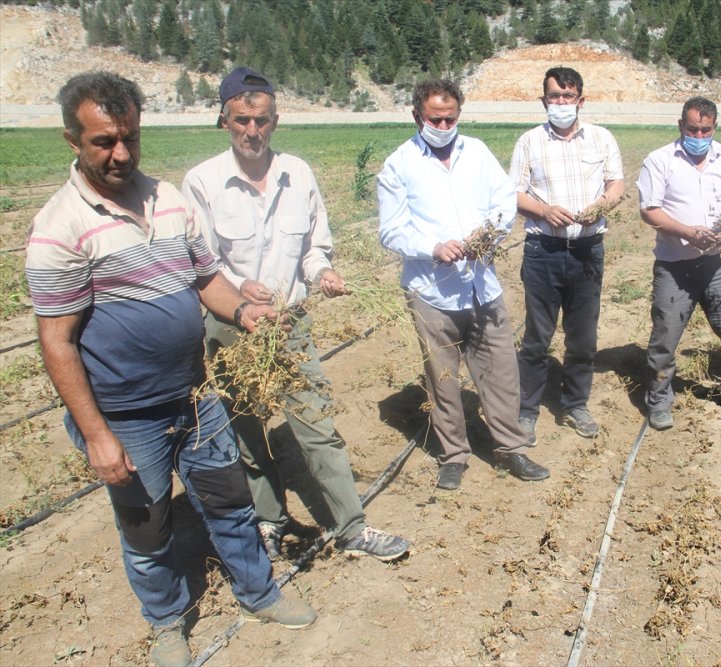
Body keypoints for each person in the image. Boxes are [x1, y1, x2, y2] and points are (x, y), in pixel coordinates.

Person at [25, 72, 315, 667]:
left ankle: (260, 594)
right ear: (72, 141)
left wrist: (244, 312)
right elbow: (57, 341)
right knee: (147, 528)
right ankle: (166, 623)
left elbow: (206, 278)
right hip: (127, 414)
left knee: (230, 504)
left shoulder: (168, 199)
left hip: (195, 394)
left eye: (129, 137)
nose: (121, 153)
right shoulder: (60, 226)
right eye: (104, 141)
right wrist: (98, 435)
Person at [182, 67, 409, 562]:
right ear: (224, 120)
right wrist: (240, 288)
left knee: (316, 424)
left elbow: (313, 248)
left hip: (289, 322)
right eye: (242, 120)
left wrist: (322, 272)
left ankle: (352, 527)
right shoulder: (202, 182)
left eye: (262, 120)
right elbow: (202, 262)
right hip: (231, 325)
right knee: (247, 430)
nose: (252, 131)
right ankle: (269, 519)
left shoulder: (298, 174)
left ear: (275, 120)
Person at [377, 79, 550, 491]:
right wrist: (432, 247)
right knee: (443, 378)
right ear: (417, 116)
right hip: (431, 290)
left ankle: (510, 448)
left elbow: (503, 201)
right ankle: (454, 455)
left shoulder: (477, 153)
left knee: (501, 371)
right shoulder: (399, 165)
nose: (443, 126)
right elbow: (391, 230)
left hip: (481, 286)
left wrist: (489, 234)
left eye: (450, 119)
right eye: (434, 119)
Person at [508, 66, 625, 445]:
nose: (561, 102)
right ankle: (527, 410)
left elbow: (616, 183)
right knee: (536, 337)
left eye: (568, 96)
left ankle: (575, 404)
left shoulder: (602, 138)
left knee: (583, 336)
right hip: (544, 251)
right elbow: (513, 194)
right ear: (543, 101)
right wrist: (543, 211)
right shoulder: (529, 142)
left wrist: (601, 205)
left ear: (581, 100)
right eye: (554, 96)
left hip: (587, 251)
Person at [637, 96, 721, 430]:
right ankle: (659, 400)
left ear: (714, 127)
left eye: (706, 130)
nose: (699, 136)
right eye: (693, 129)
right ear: (681, 125)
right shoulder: (660, 160)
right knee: (665, 334)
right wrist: (687, 232)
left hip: (720, 263)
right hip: (675, 265)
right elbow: (649, 210)